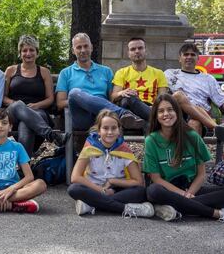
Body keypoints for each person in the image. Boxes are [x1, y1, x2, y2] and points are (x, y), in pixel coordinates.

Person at [144, 93, 224, 222]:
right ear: (156, 116)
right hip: (167, 190)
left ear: (177, 112)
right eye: (161, 111)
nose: (166, 114)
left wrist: (189, 194)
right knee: (153, 191)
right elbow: (156, 179)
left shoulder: (192, 136)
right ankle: (215, 213)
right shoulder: (151, 140)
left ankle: (173, 208)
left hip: (191, 188)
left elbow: (201, 174)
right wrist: (182, 195)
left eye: (170, 109)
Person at [67, 109, 153, 218]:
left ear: (119, 130)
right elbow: (75, 177)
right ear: (99, 130)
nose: (110, 132)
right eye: (105, 128)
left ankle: (90, 205)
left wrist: (113, 181)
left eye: (114, 128)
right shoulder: (90, 147)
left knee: (140, 192)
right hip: (93, 189)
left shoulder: (124, 149)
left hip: (116, 190)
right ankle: (127, 208)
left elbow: (138, 181)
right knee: (74, 189)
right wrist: (102, 191)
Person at [55, 32, 145, 132]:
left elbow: (111, 98)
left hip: (103, 114)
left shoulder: (106, 71)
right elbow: (60, 103)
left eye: (86, 46)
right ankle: (122, 114)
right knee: (74, 93)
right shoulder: (66, 73)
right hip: (82, 117)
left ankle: (122, 115)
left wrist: (121, 93)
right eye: (79, 47)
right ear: (73, 50)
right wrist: (86, 101)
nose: (83, 50)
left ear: (91, 47)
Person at [3, 35, 68, 157]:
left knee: (26, 124)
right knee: (18, 105)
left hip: (38, 112)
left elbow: (50, 99)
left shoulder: (44, 72)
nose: (28, 53)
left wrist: (36, 105)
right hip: (14, 112)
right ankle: (51, 135)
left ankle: (24, 168)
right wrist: (19, 105)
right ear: (20, 53)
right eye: (24, 50)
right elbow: (3, 97)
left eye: (32, 50)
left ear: (37, 53)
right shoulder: (11, 70)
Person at [164, 43, 224, 139]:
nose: (189, 57)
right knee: (178, 95)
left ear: (198, 58)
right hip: (175, 114)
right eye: (186, 54)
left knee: (194, 123)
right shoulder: (169, 74)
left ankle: (192, 154)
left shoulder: (208, 79)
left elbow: (221, 102)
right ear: (180, 58)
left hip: (199, 116)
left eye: (193, 55)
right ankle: (215, 127)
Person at [111, 37, 168, 121]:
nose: (137, 51)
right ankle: (153, 119)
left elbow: (163, 97)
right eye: (133, 49)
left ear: (146, 51)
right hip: (129, 107)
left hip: (150, 106)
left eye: (140, 48)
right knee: (129, 97)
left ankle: (142, 119)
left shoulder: (159, 73)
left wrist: (155, 107)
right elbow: (113, 97)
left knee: (144, 122)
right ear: (128, 53)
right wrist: (122, 92)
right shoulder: (121, 72)